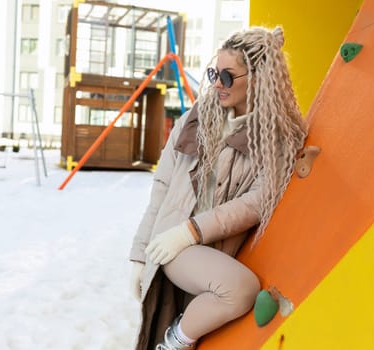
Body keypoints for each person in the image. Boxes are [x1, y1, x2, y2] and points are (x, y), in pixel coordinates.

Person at [129, 26, 307, 350]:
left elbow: (256, 202)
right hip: (173, 243)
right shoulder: (193, 122)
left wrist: (192, 231)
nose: (216, 84)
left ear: (258, 78)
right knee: (240, 288)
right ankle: (172, 344)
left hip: (205, 244)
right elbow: (162, 189)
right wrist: (139, 256)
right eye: (215, 72)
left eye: (227, 76)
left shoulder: (275, 139)